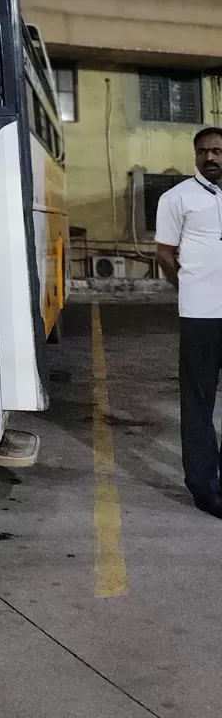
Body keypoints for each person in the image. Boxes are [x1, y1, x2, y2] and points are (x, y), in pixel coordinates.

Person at [155, 126, 222, 517]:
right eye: (203, 151)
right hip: (200, 315)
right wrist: (189, 287)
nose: (210, 157)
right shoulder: (176, 198)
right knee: (198, 402)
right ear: (195, 155)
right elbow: (165, 254)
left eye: (216, 150)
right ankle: (203, 487)